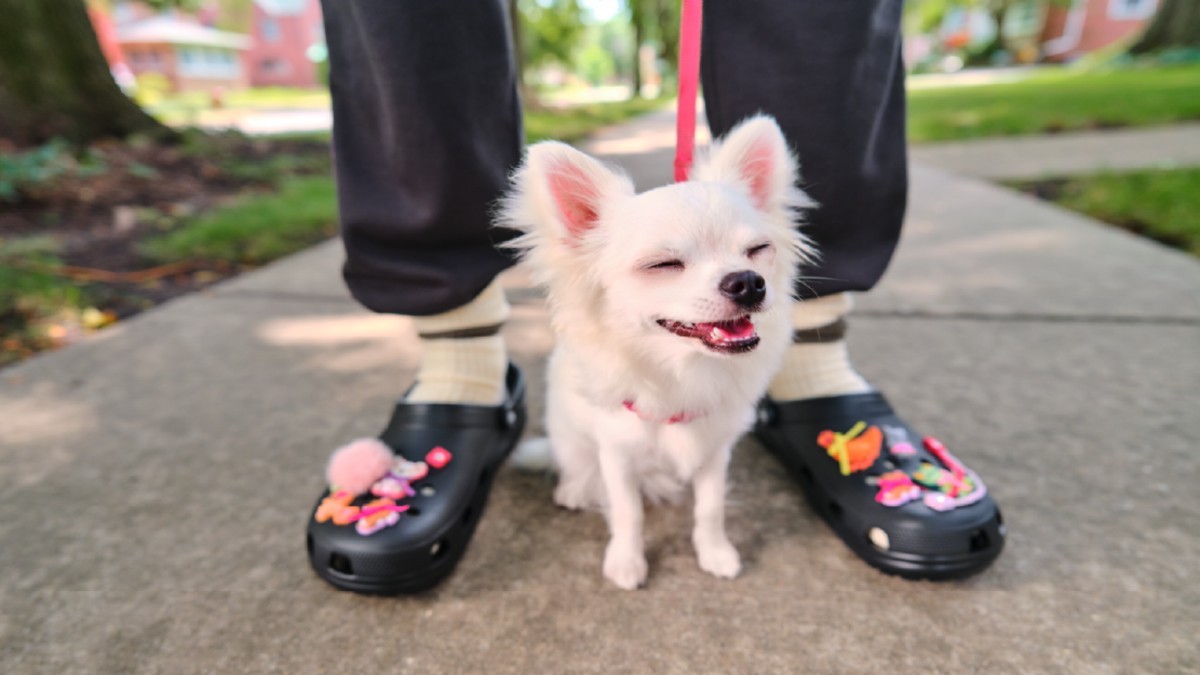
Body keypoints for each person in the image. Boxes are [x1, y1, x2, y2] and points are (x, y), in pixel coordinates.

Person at [306, 0, 1005, 595]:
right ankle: (460, 364)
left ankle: (811, 364)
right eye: (666, 263)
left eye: (755, 250)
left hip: (710, 397)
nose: (741, 275)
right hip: (614, 407)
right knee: (405, 25)